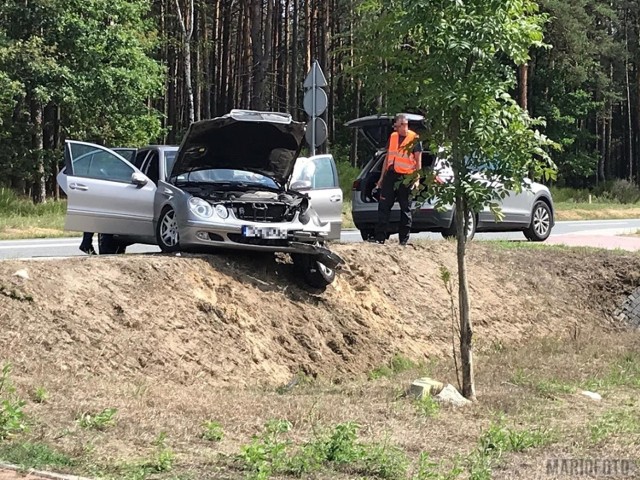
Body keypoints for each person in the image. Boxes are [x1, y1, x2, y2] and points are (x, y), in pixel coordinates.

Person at [370, 113, 422, 245]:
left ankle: (403, 241)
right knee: (383, 206)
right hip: (391, 176)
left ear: (404, 125)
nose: (395, 129)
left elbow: (418, 162)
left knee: (405, 209)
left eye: (397, 126)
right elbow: (388, 158)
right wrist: (382, 178)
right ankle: (380, 238)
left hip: (406, 178)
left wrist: (416, 180)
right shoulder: (393, 136)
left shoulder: (414, 139)